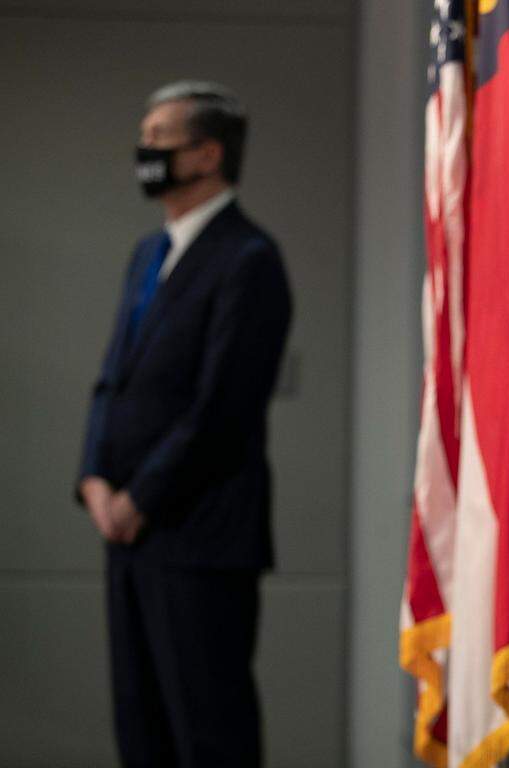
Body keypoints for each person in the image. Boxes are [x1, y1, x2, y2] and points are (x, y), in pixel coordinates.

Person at [76, 81, 292, 767]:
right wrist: (93, 479)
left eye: (159, 139)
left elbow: (222, 409)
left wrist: (139, 498)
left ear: (206, 153)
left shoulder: (249, 259)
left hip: (200, 535)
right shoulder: (148, 253)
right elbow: (113, 380)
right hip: (128, 535)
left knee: (207, 733)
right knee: (141, 729)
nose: (144, 152)